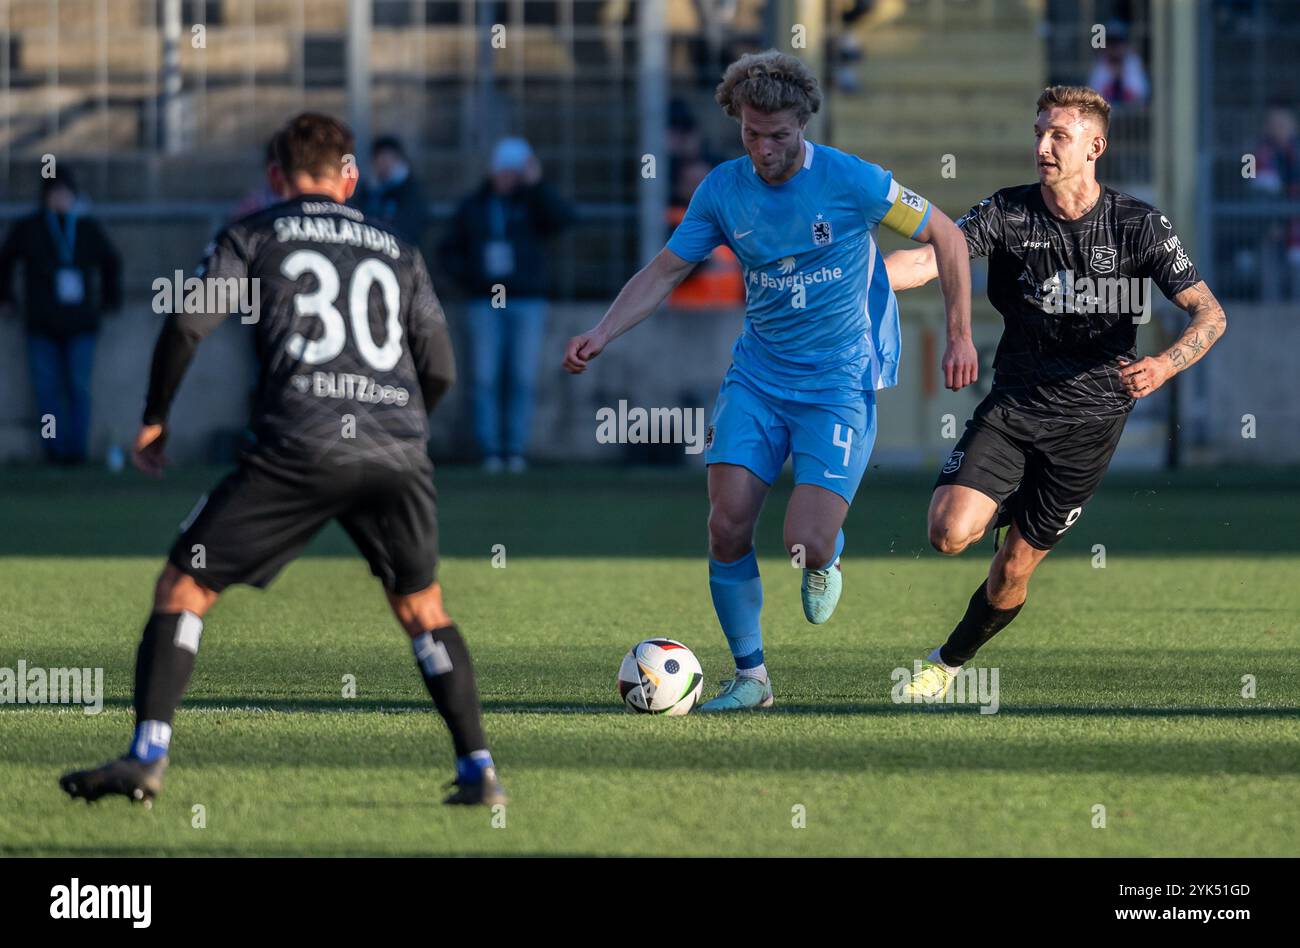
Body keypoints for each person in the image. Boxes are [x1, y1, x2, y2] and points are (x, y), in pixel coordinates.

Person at [59, 113, 505, 807]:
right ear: (349, 178)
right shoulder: (397, 247)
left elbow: (186, 321)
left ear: (275, 176)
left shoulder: (255, 233)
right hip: (397, 452)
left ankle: (147, 755)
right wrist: (402, 432)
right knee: (423, 608)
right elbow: (439, 369)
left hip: (300, 444)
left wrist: (154, 420)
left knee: (184, 588)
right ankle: (480, 770)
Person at [563, 50, 976, 711]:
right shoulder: (724, 190)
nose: (764, 149)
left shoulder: (853, 181)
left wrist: (959, 333)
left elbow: (948, 237)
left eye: (778, 135)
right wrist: (603, 332)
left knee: (802, 541)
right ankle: (752, 679)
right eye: (752, 134)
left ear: (804, 124)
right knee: (726, 524)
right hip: (758, 378)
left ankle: (826, 556)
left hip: (839, 382)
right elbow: (667, 271)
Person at [884, 86, 1227, 699]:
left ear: (1095, 147)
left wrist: (1167, 365)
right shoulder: (1007, 213)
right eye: (1039, 131)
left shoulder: (1138, 225)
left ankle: (949, 662)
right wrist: (856, 283)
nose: (1043, 145)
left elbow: (1210, 314)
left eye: (1058, 135)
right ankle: (1002, 496)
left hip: (1091, 424)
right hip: (1014, 404)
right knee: (946, 534)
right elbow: (930, 261)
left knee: (1012, 570)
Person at [440, 137, 574, 473]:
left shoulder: (532, 204)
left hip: (526, 298)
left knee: (521, 377)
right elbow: (449, 250)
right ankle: (490, 451)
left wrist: (537, 184)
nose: (508, 178)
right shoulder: (475, 206)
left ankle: (515, 450)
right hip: (485, 299)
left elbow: (563, 219)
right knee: (484, 377)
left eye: (515, 172)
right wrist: (471, 277)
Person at [0, 169, 121, 464]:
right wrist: (6, 298)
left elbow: (111, 262)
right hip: (42, 323)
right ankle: (53, 449)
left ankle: (76, 450)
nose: (60, 199)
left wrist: (109, 301)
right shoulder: (31, 228)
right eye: (54, 194)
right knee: (47, 391)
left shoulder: (86, 228)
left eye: (65, 193)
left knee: (78, 387)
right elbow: (5, 261)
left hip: (80, 323)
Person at [355, 134, 428, 245]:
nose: (384, 163)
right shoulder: (366, 189)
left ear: (398, 159)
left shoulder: (410, 190)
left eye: (389, 157)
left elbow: (412, 226)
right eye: (380, 157)